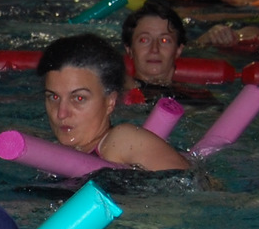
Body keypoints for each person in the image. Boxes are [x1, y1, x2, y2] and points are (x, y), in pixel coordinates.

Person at [37, 33, 190, 171]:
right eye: (53, 97)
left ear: (110, 101)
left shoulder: (121, 142)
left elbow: (195, 184)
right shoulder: (53, 153)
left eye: (79, 98)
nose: (61, 113)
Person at [120, 0, 199, 98]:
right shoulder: (116, 94)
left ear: (178, 50)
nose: (154, 49)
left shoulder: (197, 97)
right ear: (129, 49)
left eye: (164, 40)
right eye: (144, 40)